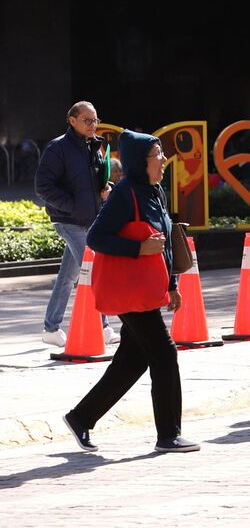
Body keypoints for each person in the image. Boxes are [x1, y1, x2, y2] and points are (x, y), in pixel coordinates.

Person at [62, 131, 198, 453]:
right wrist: (138, 248)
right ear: (140, 162)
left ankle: (81, 417)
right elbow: (96, 237)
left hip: (146, 289)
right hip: (129, 291)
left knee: (133, 361)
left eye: (162, 154)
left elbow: (164, 241)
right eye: (157, 155)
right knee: (165, 354)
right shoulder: (125, 194)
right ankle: (168, 435)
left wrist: (172, 285)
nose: (163, 160)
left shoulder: (155, 191)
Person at [35, 101, 117, 347]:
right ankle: (103, 326)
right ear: (72, 121)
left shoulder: (94, 146)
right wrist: (72, 206)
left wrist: (105, 189)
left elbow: (95, 182)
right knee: (93, 270)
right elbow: (43, 187)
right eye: (87, 120)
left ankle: (51, 328)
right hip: (68, 220)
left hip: (89, 219)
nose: (93, 125)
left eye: (95, 120)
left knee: (68, 277)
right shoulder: (57, 148)